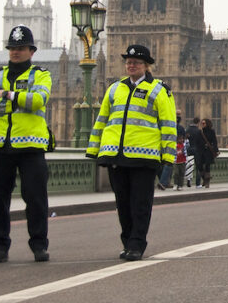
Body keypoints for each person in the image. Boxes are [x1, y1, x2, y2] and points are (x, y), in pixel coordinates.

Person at [87, 44, 176, 261]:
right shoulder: (115, 89)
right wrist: (94, 149)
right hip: (116, 155)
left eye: (136, 62)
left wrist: (168, 155)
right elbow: (102, 120)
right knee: (123, 203)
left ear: (146, 66)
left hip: (145, 156)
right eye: (128, 62)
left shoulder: (159, 90)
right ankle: (128, 241)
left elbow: (168, 123)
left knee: (140, 204)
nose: (131, 65)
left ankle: (137, 243)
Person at [0, 25, 52, 264]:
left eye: (20, 48)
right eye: (12, 48)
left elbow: (38, 100)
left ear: (31, 51)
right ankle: (0, 245)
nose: (15, 52)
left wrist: (8, 95)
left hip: (30, 145)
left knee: (36, 198)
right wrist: (20, 100)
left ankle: (39, 245)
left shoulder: (41, 75)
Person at [199, 118, 219, 187]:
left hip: (208, 151)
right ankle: (204, 178)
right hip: (201, 151)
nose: (202, 125)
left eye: (204, 123)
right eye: (202, 123)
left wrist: (216, 150)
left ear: (207, 124)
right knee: (200, 166)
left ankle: (207, 182)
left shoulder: (211, 131)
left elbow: (214, 141)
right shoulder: (200, 132)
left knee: (207, 166)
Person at [185, 117, 204, 188]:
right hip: (197, 149)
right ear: (198, 122)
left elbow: (185, 139)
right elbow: (201, 142)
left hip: (189, 149)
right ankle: (197, 184)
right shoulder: (198, 131)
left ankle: (189, 179)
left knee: (189, 165)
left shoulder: (188, 130)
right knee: (198, 167)